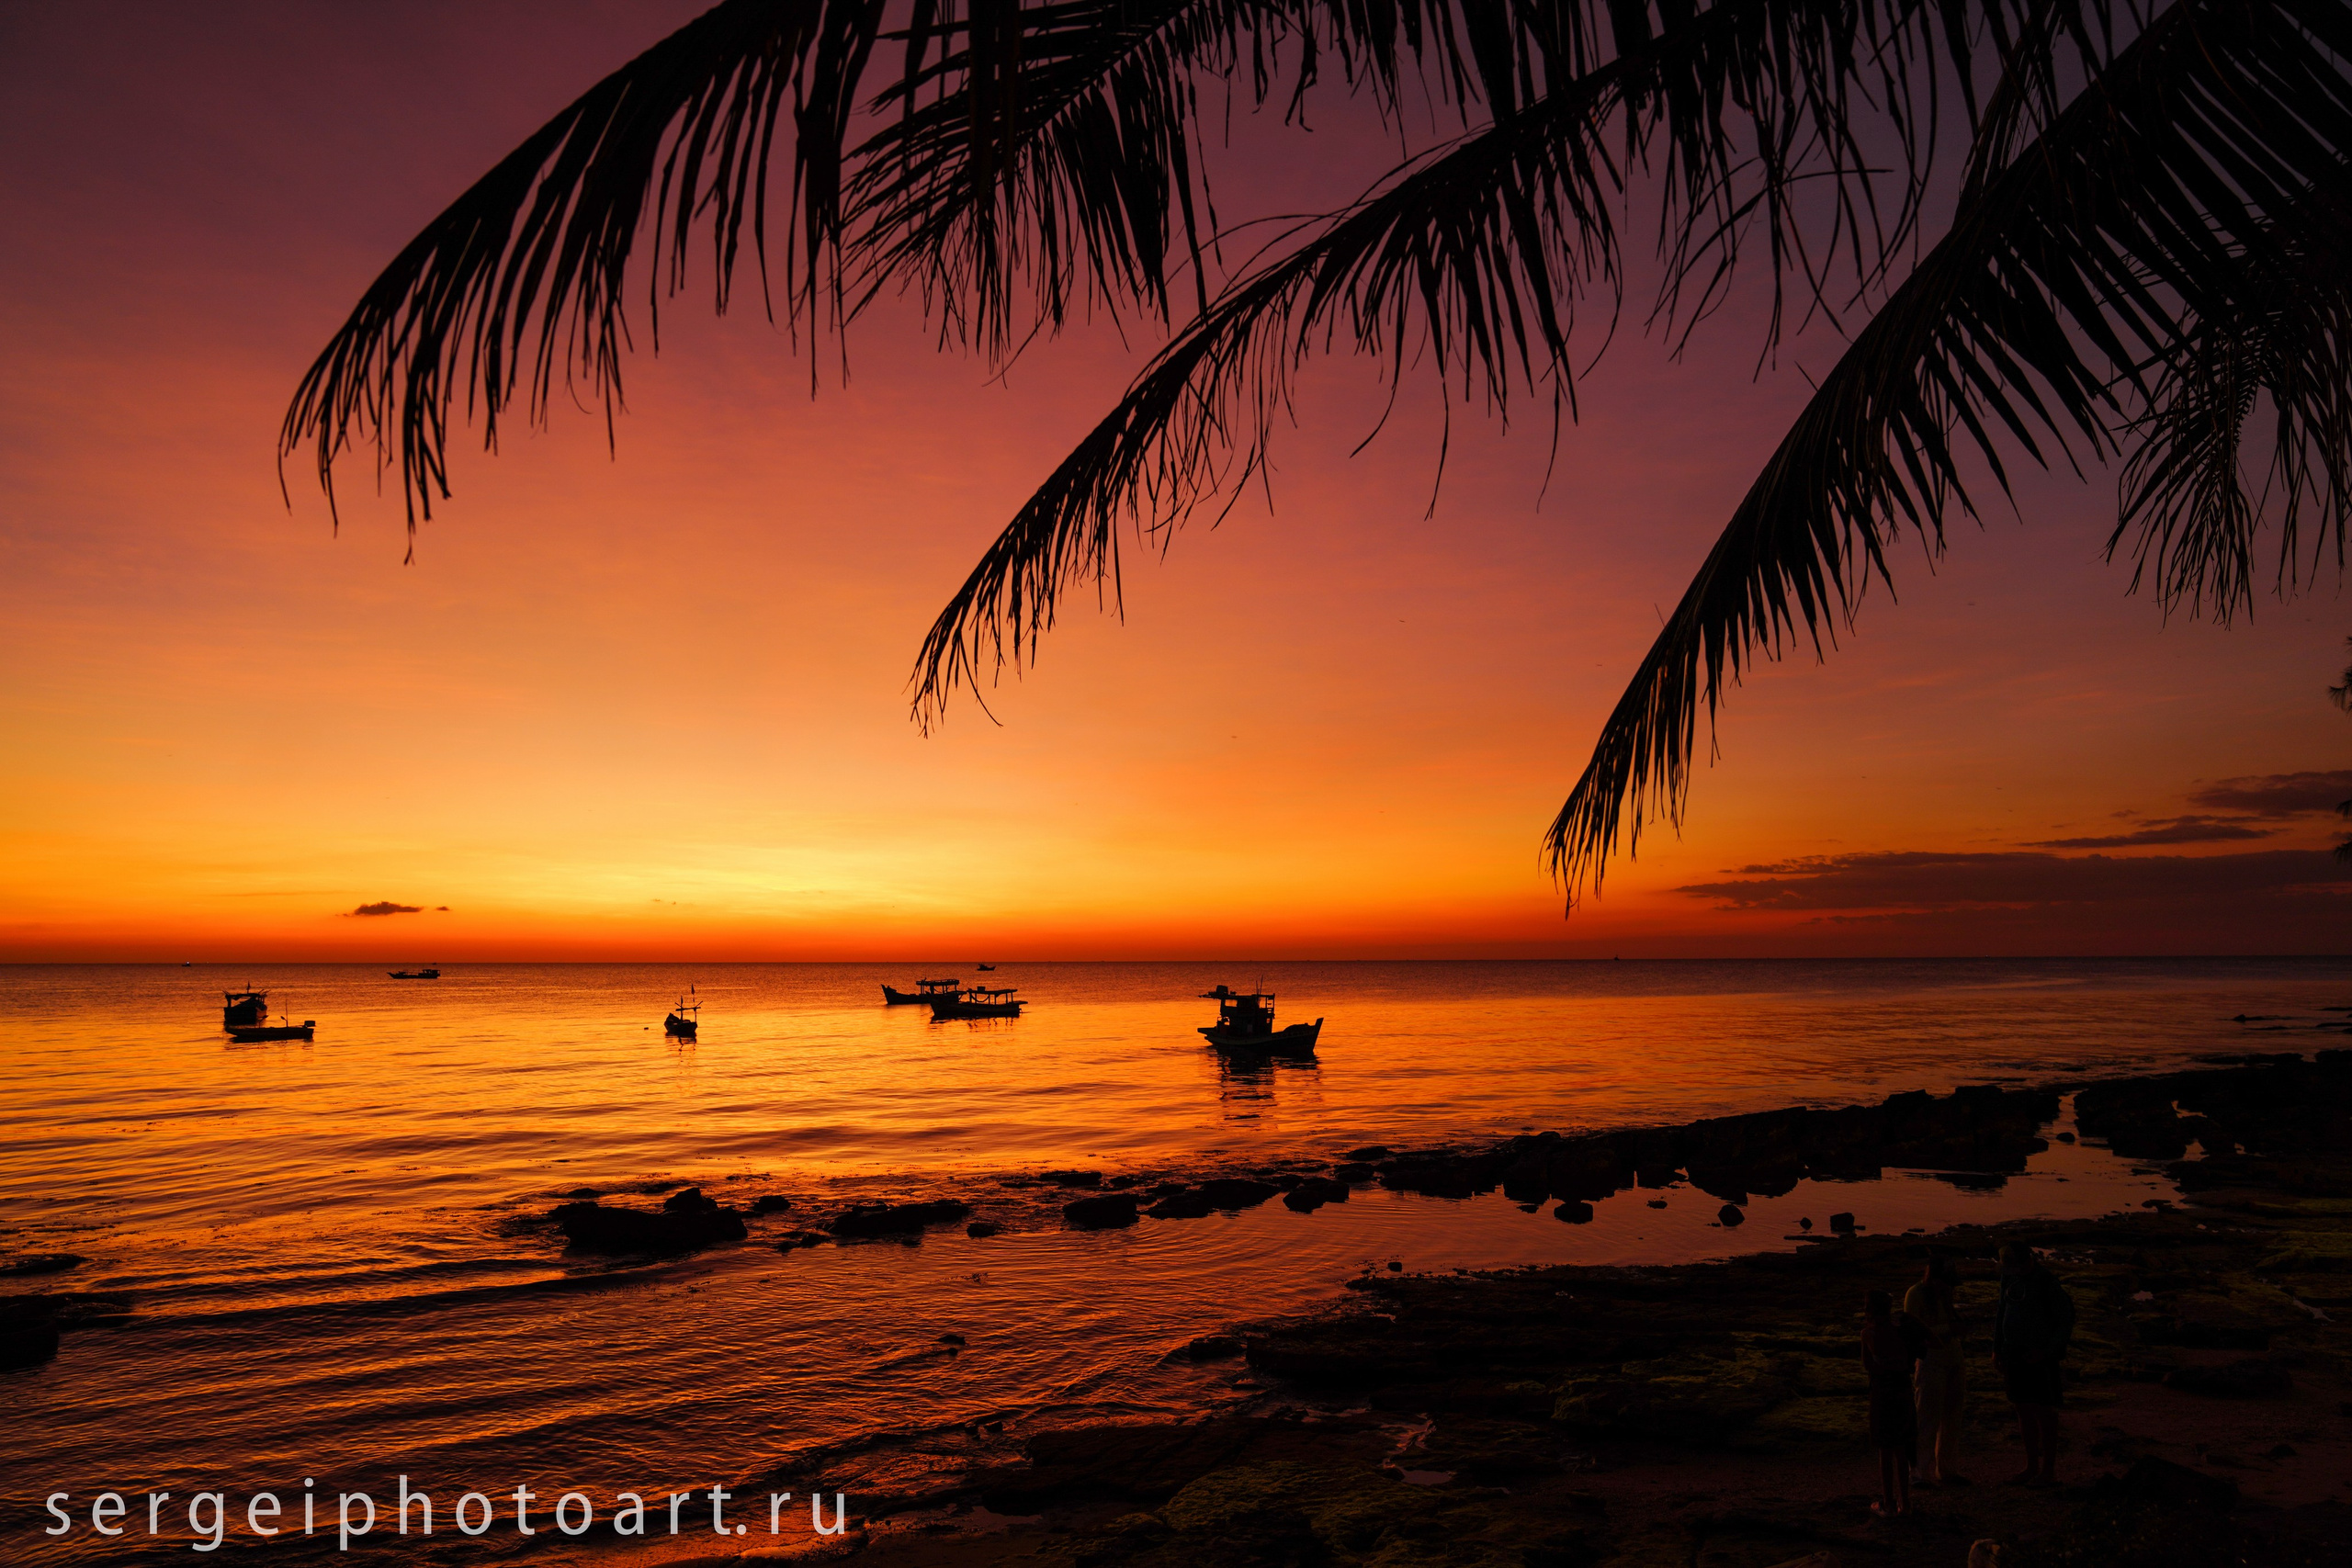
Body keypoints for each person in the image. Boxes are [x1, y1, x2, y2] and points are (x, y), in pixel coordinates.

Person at [1993, 1240, 2074, 1485]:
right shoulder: (2009, 1278)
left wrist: (2047, 1352)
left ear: (2028, 1260)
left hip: (2040, 1356)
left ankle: (2047, 1470)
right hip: (2013, 1353)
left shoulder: (2047, 1282)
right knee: (2022, 1408)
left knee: (2045, 1411)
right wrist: (1997, 1348)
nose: (2012, 1270)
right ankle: (2031, 1466)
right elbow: (2001, 1311)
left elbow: (2065, 1321)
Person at [1905, 1250, 1969, 1485]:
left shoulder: (1944, 1295)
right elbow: (1913, 1332)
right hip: (1930, 1360)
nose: (1948, 1287)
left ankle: (1947, 1469)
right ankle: (1918, 1472)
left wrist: (1955, 1327)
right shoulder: (1915, 1295)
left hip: (1953, 1357)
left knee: (1952, 1416)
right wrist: (1949, 1329)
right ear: (1933, 1278)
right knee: (1927, 1417)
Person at [1861, 1288, 1924, 1517]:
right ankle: (1905, 1503)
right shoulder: (1902, 1329)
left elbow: (1868, 1365)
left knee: (1885, 1450)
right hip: (1903, 1389)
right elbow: (1927, 1344)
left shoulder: (1868, 1334)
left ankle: (1888, 1502)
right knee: (1901, 1447)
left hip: (1882, 1392)